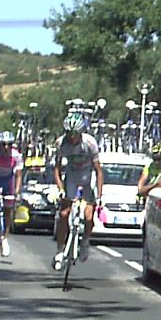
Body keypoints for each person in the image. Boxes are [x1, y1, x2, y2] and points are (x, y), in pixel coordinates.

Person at [53, 114, 104, 270]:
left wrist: (99, 196)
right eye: (69, 133)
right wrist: (60, 189)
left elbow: (99, 171)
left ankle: (85, 241)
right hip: (72, 176)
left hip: (88, 177)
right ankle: (60, 250)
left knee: (88, 216)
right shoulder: (61, 143)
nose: (72, 137)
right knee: (64, 214)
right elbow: (57, 169)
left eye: (75, 134)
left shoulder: (90, 143)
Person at [0, 130, 24, 257]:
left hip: (8, 180)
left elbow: (18, 176)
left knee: (8, 210)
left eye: (9, 144)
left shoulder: (16, 155)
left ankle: (4, 238)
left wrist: (17, 192)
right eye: (3, 144)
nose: (6, 147)